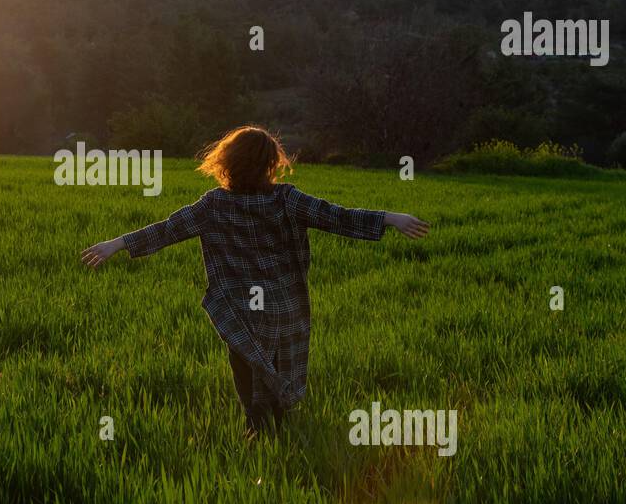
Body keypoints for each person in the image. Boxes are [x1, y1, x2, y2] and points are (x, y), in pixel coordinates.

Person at [81, 126, 429, 437]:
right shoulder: (286, 199)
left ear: (225, 164)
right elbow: (337, 216)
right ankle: (275, 429)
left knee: (248, 368)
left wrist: (117, 244)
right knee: (279, 368)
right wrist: (389, 218)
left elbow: (168, 229)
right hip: (284, 308)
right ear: (271, 165)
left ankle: (258, 430)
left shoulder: (213, 205)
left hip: (239, 310)